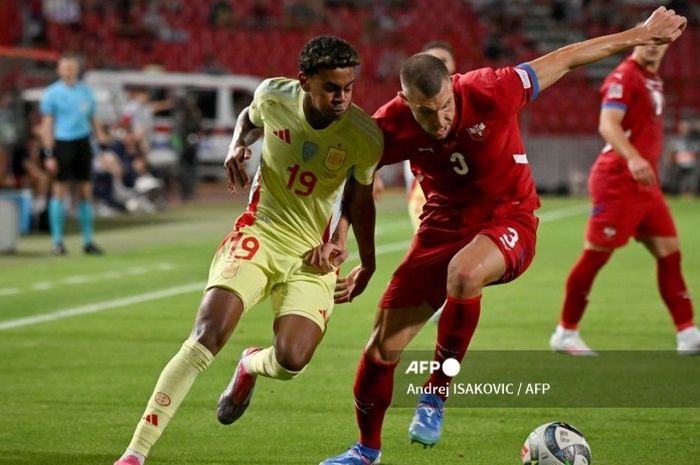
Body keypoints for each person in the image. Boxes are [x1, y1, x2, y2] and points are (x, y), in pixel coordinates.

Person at [319, 7, 687, 465]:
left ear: (454, 85)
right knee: (381, 348)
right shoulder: (390, 124)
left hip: (509, 219)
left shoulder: (492, 88)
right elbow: (355, 181)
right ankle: (366, 451)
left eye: (445, 107)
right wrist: (344, 241)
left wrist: (642, 33)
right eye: (425, 112)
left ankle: (435, 394)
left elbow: (569, 56)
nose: (438, 121)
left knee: (464, 273)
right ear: (404, 99)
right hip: (440, 228)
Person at [114, 35, 382, 465]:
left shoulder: (364, 135)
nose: (342, 97)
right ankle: (134, 453)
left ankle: (250, 365)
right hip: (259, 233)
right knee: (206, 335)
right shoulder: (274, 94)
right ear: (305, 82)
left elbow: (360, 199)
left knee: (293, 359)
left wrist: (353, 253)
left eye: (349, 87)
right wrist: (237, 143)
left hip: (310, 253)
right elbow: (250, 117)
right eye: (332, 87)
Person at [549, 29, 700, 356]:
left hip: (646, 185)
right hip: (618, 179)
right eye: (648, 39)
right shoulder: (625, 75)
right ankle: (565, 332)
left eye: (660, 42)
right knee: (595, 256)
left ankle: (687, 334)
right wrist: (632, 157)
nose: (653, 46)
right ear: (637, 39)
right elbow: (608, 123)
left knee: (670, 254)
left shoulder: (652, 79)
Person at [39, 52, 107, 255]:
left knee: (85, 191)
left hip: (83, 142)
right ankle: (57, 241)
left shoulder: (85, 92)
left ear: (77, 69)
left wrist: (102, 145)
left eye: (72, 66)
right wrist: (49, 153)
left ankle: (87, 240)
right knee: (60, 189)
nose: (69, 70)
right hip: (63, 143)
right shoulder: (52, 93)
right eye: (65, 67)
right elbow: (47, 125)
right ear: (59, 70)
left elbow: (94, 120)